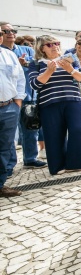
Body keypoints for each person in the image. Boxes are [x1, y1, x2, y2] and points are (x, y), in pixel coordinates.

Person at [28, 35, 81, 175]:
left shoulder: (69, 58)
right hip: (49, 104)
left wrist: (70, 69)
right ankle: (58, 166)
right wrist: (49, 71)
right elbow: (34, 84)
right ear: (42, 48)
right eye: (50, 45)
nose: (55, 46)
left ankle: (79, 163)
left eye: (56, 43)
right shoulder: (36, 63)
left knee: (77, 129)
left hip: (73, 100)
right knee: (54, 135)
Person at [0, 22, 46, 169]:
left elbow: (37, 67)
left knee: (31, 129)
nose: (10, 33)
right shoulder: (2, 53)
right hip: (7, 100)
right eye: (5, 31)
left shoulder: (26, 49)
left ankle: (30, 158)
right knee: (9, 136)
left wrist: (26, 65)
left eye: (13, 30)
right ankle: (9, 165)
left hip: (27, 96)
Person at [0, 29, 25, 196]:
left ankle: (0, 185)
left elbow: (20, 79)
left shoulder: (9, 55)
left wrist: (18, 101)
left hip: (8, 107)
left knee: (5, 147)